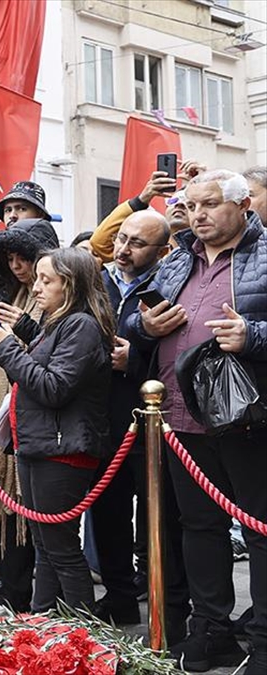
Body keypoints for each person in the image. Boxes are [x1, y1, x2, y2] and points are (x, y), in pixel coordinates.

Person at [131, 169, 267, 673]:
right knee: (200, 527)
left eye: (210, 204)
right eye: (191, 206)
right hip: (179, 418)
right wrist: (144, 325)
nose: (198, 215)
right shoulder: (177, 258)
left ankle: (264, 640)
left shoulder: (264, 254)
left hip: (246, 418)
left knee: (259, 530)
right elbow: (132, 316)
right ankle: (212, 631)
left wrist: (253, 336)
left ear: (243, 205)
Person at [0, 246, 114, 613]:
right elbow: (45, 365)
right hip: (40, 444)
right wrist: (22, 333)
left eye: (47, 280)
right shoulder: (59, 322)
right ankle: (44, 620)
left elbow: (53, 387)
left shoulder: (82, 325)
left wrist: (8, 349)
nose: (36, 287)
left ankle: (82, 628)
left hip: (63, 450)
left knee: (61, 546)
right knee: (44, 544)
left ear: (70, 285)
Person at [89, 210, 190, 641]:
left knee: (163, 520)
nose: (123, 249)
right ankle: (119, 596)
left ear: (162, 251)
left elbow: (180, 349)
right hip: (103, 418)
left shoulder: (172, 284)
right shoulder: (98, 281)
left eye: (137, 243)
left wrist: (136, 358)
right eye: (122, 239)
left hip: (157, 423)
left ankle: (170, 606)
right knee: (107, 513)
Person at [0, 216, 60, 610]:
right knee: (3, 497)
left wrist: (21, 327)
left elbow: (54, 348)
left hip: (37, 409)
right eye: (9, 259)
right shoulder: (13, 291)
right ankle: (8, 578)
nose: (17, 267)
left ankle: (30, 592)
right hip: (3, 395)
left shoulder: (55, 297)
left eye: (23, 258)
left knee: (34, 512)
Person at [91, 162, 206, 263]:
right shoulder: (147, 253)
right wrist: (141, 200)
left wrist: (206, 183)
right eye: (173, 200)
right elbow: (100, 244)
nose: (179, 204)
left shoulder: (206, 253)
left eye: (188, 203)